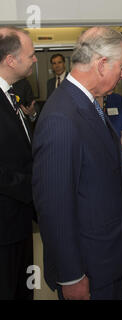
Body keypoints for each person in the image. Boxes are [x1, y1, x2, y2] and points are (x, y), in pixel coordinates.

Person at [32, 26, 122, 300]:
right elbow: (54, 207)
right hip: (89, 266)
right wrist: (72, 275)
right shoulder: (62, 118)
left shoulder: (87, 103)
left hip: (107, 254)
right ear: (102, 64)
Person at [0, 26, 37, 300]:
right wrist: (33, 186)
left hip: (20, 219)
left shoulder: (12, 94)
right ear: (11, 60)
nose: (35, 59)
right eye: (31, 54)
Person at [96, 93, 122, 258]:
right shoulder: (86, 99)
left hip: (120, 165)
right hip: (98, 167)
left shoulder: (117, 100)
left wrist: (118, 154)